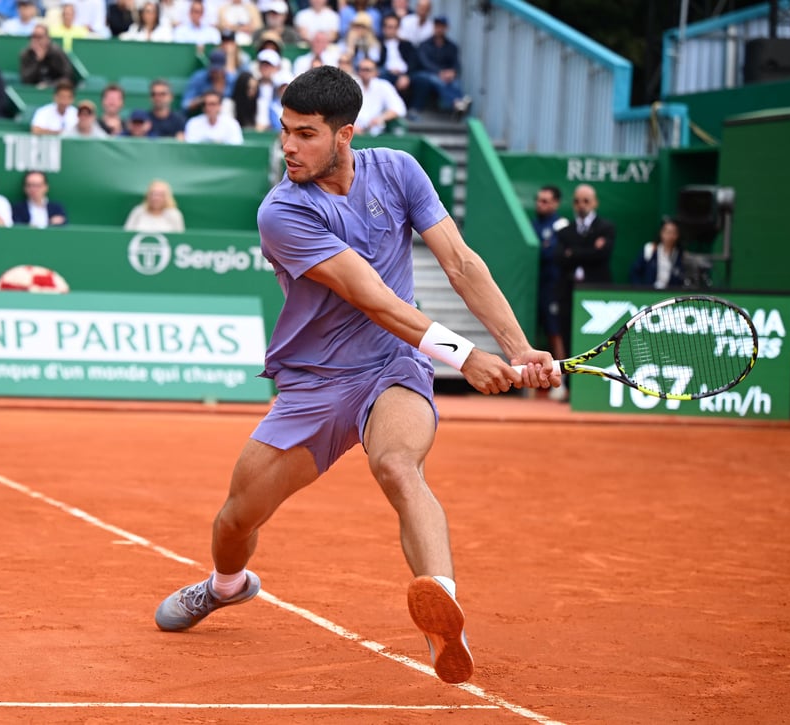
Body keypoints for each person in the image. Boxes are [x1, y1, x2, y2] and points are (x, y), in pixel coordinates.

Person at [151, 66, 560, 688]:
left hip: (392, 368)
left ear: (346, 135)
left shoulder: (397, 170)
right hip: (314, 385)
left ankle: (444, 615)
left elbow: (460, 261)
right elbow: (370, 296)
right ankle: (225, 585)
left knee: (398, 465)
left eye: (306, 134)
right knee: (235, 520)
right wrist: (465, 355)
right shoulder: (282, 211)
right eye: (284, 131)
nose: (288, 146)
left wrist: (518, 346)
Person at [554, 183, 616, 359]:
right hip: (568, 290)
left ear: (595, 202)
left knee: (598, 335)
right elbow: (558, 258)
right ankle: (568, 379)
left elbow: (602, 255)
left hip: (597, 289)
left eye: (586, 201)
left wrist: (572, 252)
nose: (581, 205)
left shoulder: (606, 227)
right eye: (577, 201)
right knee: (567, 331)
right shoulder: (565, 230)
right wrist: (591, 249)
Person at [531, 185, 568, 371]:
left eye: (545, 201)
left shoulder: (561, 225)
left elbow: (550, 253)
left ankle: (559, 379)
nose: (540, 204)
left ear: (555, 203)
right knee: (530, 332)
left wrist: (543, 250)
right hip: (532, 286)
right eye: (538, 200)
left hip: (553, 288)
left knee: (554, 332)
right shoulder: (533, 223)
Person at [413, 16, 470, 118]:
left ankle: (458, 104)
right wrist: (440, 72)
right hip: (428, 73)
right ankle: (458, 102)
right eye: (437, 26)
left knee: (455, 83)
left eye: (442, 27)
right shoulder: (425, 44)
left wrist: (452, 72)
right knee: (438, 80)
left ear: (446, 28)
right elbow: (425, 63)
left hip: (446, 74)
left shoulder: (452, 46)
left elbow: (455, 63)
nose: (439, 29)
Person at [353, 58, 405, 136]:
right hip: (351, 131)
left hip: (375, 133)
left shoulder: (384, 86)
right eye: (362, 69)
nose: (364, 72)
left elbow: (399, 108)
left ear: (375, 72)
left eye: (368, 70)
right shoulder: (351, 85)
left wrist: (381, 118)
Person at [378, 12, 420, 107]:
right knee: (382, 76)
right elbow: (377, 62)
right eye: (389, 27)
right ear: (384, 28)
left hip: (405, 73)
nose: (392, 30)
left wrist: (406, 76)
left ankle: (415, 109)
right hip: (386, 72)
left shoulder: (407, 44)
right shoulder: (378, 44)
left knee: (422, 78)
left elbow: (413, 62)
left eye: (395, 27)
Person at [630, 219, 685, 290]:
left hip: (670, 293)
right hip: (650, 292)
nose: (670, 236)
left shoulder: (681, 255)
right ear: (661, 233)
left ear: (677, 235)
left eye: (673, 233)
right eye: (668, 232)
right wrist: (640, 289)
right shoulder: (650, 249)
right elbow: (634, 272)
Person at [19, 23, 72, 88]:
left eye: (39, 37)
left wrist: (49, 86)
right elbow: (26, 79)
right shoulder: (26, 54)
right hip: (34, 91)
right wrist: (38, 61)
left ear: (47, 38)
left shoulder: (56, 52)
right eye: (33, 37)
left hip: (55, 89)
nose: (35, 40)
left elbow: (67, 76)